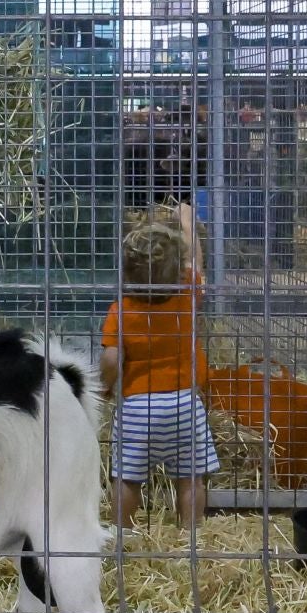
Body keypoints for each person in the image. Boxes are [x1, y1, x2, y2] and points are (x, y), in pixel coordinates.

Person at [102, 203, 219, 529]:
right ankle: (190, 534)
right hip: (184, 403)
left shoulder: (120, 311)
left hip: (137, 407)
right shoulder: (187, 296)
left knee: (126, 478)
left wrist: (106, 386)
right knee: (191, 478)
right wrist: (187, 220)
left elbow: (111, 359)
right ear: (177, 270)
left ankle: (122, 532)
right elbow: (196, 261)